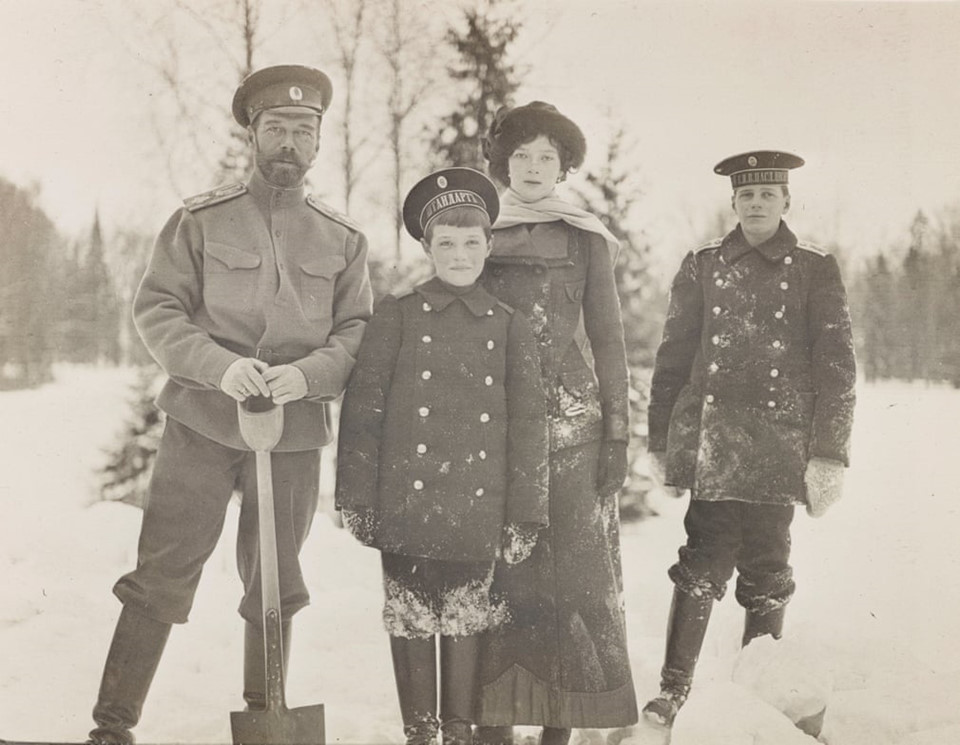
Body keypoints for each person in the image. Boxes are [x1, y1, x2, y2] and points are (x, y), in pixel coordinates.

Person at [86, 64, 373, 745]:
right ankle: (111, 726)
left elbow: (358, 329)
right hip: (202, 423)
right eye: (275, 128)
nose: (289, 143)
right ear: (252, 134)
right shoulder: (200, 220)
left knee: (276, 580)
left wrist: (305, 376)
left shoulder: (342, 240)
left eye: (304, 131)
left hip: (295, 430)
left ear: (320, 143)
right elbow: (157, 308)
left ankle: (266, 717)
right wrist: (221, 367)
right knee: (162, 571)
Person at [641, 151, 856, 733]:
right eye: (747, 196)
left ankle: (756, 696)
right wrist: (661, 439)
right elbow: (673, 356)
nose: (756, 204)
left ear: (787, 201)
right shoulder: (703, 264)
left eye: (768, 194)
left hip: (779, 450)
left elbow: (836, 366)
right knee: (699, 565)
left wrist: (829, 454)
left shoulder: (814, 267)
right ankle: (673, 690)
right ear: (733, 203)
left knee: (767, 568)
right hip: (716, 448)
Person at [335, 167, 549, 745]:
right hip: (405, 505)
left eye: (471, 242)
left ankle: (457, 731)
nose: (459, 255)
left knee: (464, 619)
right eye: (446, 243)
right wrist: (355, 500)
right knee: (408, 617)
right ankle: (420, 733)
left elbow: (530, 428)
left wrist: (526, 513)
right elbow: (363, 418)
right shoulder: (397, 316)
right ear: (427, 247)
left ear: (489, 247)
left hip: (479, 510)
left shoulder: (509, 327)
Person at [474, 102, 638, 745]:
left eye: (548, 157)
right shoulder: (478, 228)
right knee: (499, 576)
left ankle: (559, 729)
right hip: (496, 428)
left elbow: (608, 338)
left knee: (573, 581)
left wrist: (618, 434)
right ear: (503, 163)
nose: (535, 168)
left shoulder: (586, 237)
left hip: (574, 431)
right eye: (522, 156)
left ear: (565, 166)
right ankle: (492, 722)